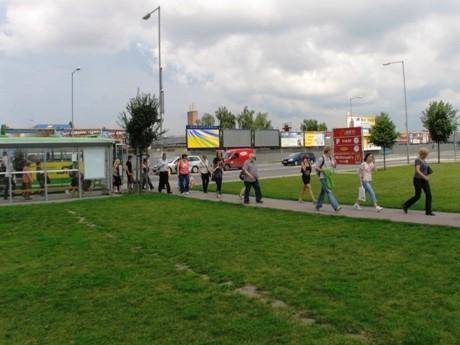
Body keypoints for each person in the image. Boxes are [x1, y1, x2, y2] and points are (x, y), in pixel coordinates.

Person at [403, 148, 434, 216]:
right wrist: (424, 176)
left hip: (424, 180)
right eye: (426, 154)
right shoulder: (417, 160)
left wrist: (428, 171)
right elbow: (417, 170)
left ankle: (428, 211)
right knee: (417, 196)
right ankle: (405, 205)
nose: (427, 155)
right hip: (417, 180)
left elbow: (425, 169)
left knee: (429, 195)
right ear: (423, 154)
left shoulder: (424, 160)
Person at [315, 146, 341, 212]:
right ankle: (336, 206)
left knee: (322, 192)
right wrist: (323, 170)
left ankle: (318, 205)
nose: (332, 152)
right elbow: (316, 168)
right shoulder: (321, 158)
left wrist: (335, 162)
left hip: (328, 177)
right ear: (328, 151)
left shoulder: (330, 158)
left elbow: (334, 166)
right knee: (329, 191)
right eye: (331, 151)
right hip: (322, 177)